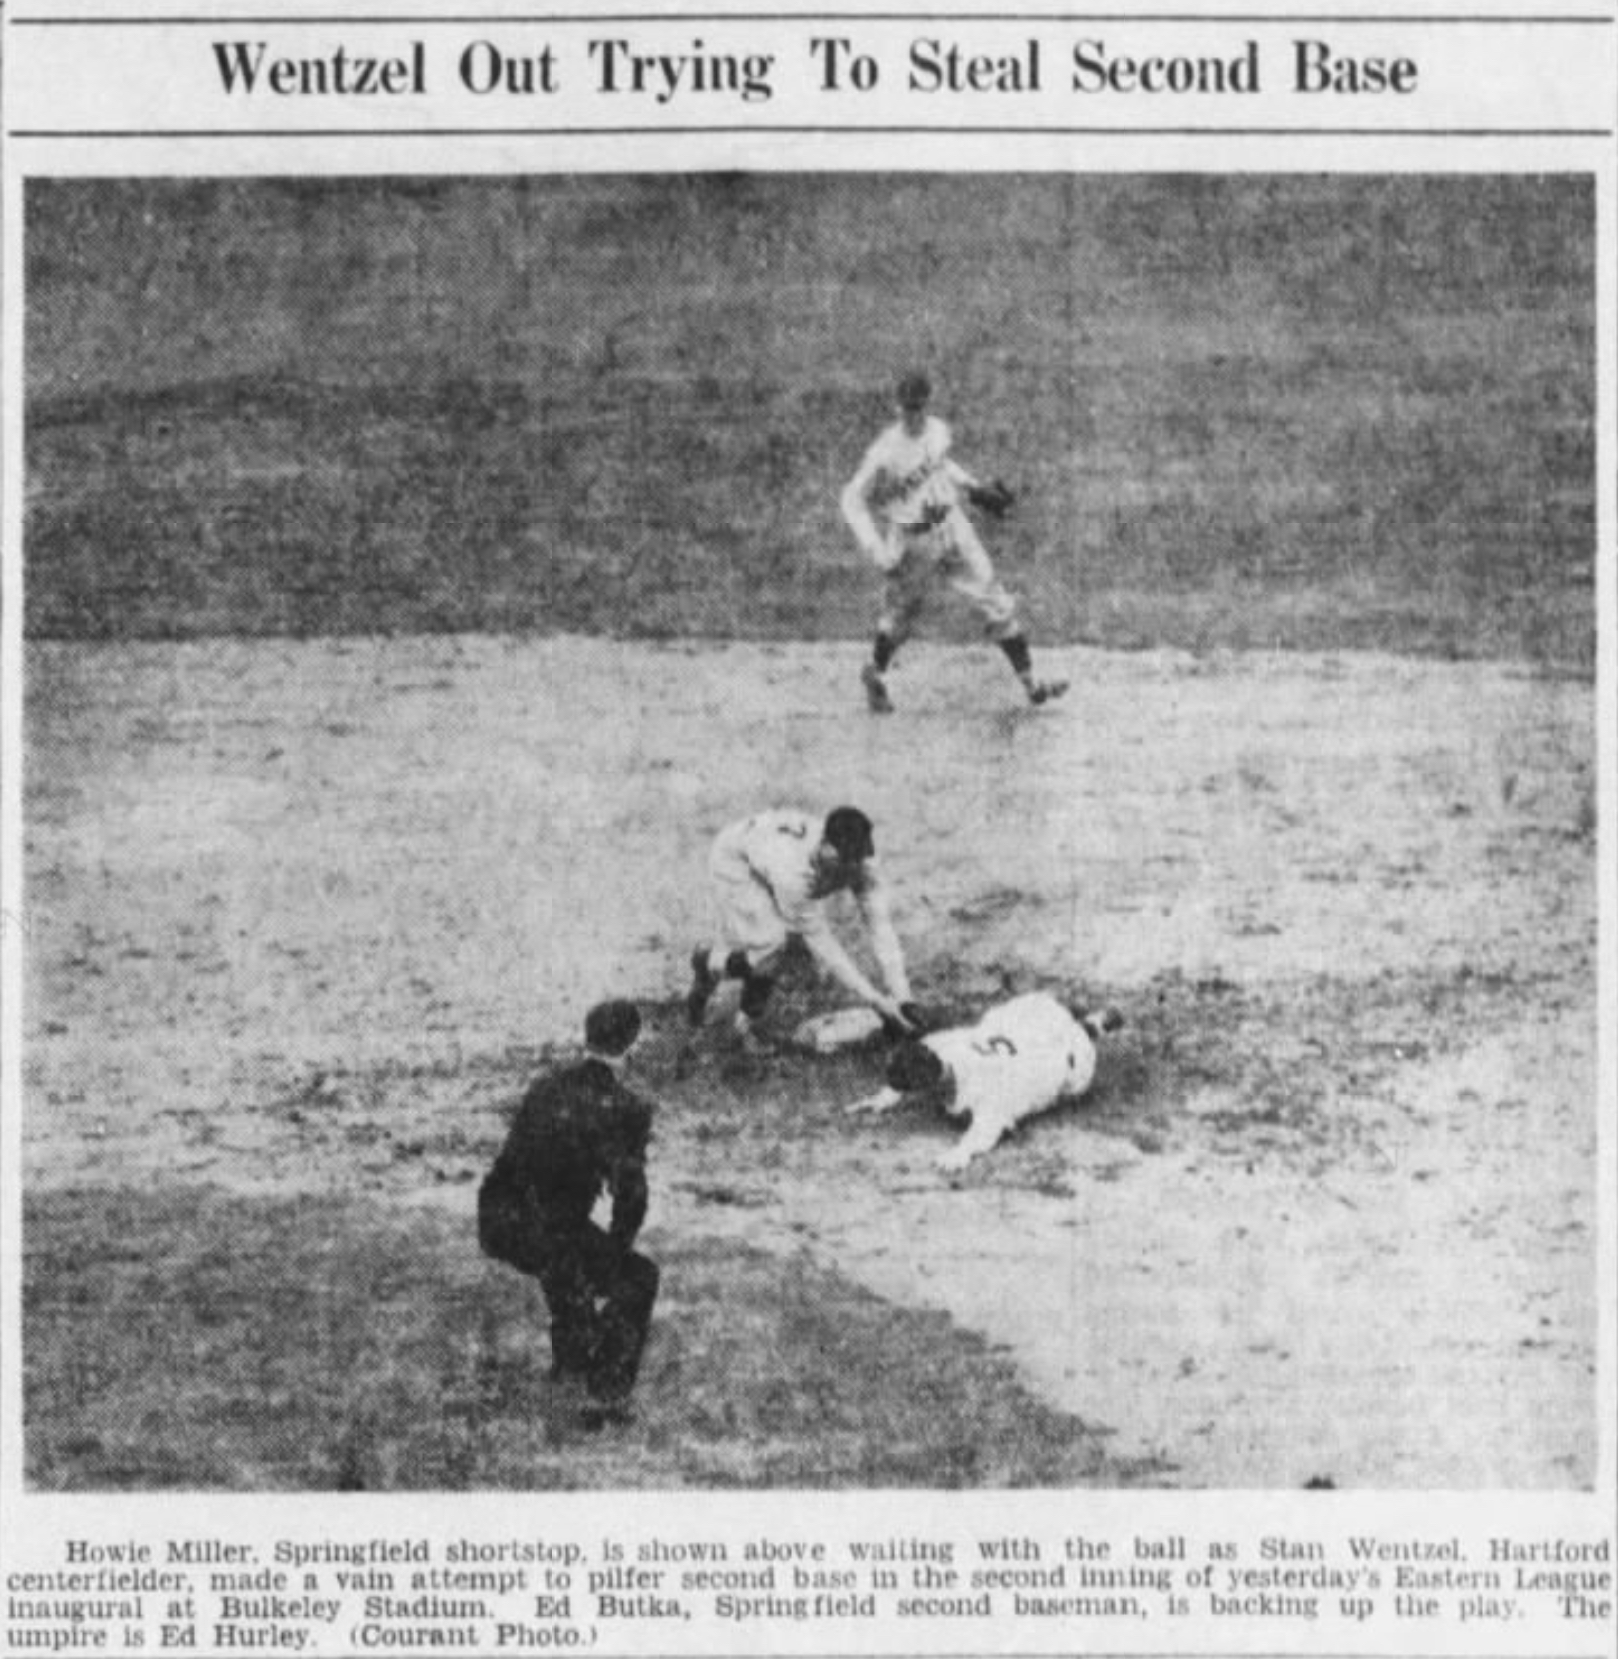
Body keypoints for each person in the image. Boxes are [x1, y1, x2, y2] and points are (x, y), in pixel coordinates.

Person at [840, 370, 1068, 713]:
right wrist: (875, 547)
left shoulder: (937, 430)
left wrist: (974, 489)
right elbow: (851, 499)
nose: (913, 414)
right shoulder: (884, 453)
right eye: (908, 408)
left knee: (995, 600)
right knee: (900, 617)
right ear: (897, 407)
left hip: (952, 525)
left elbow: (941, 466)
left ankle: (1032, 684)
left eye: (919, 407)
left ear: (927, 404)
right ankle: (876, 677)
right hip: (912, 541)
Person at [477, 999, 659, 1429]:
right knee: (636, 1277)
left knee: (568, 1270)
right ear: (631, 1047)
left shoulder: (545, 1087)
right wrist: (616, 1249)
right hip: (553, 1226)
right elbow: (630, 1195)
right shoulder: (627, 1107)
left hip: (500, 1217)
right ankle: (605, 1394)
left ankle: (572, 1364)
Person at [686, 805, 920, 1050]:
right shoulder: (794, 872)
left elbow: (880, 925)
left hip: (763, 850)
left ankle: (743, 1024)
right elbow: (822, 942)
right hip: (735, 860)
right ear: (825, 845)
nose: (851, 868)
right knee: (771, 945)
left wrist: (903, 996)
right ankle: (709, 963)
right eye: (845, 860)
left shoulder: (864, 863)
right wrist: (876, 1000)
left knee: (776, 955)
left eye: (856, 860)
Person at [845, 991, 1121, 1172]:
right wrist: (886, 1096)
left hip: (1068, 1065)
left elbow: (984, 1132)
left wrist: (961, 1152)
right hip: (1026, 1029)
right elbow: (920, 1051)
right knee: (1007, 1027)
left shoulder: (986, 1090)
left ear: (931, 1085)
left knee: (1066, 1051)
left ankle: (1089, 1027)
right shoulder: (941, 1047)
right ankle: (1078, 1021)